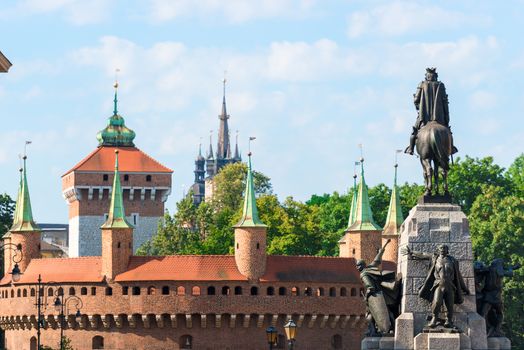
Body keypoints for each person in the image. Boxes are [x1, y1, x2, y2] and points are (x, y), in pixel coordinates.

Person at [402, 244, 469, 328]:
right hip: (438, 284)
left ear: (447, 250)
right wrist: (411, 252)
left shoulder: (453, 261)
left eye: (444, 248)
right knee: (437, 302)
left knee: (450, 304)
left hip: (450, 285)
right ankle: (434, 318)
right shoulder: (435, 258)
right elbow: (423, 254)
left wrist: (465, 288)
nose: (442, 249)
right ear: (438, 250)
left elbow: (458, 276)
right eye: (441, 248)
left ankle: (448, 320)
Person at [405, 68, 456, 155]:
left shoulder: (421, 84)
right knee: (448, 131)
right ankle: (451, 147)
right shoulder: (441, 85)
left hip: (424, 117)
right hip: (439, 117)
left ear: (427, 76)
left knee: (415, 131)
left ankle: (411, 148)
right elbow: (445, 103)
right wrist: (446, 118)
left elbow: (416, 100)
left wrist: (419, 107)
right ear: (435, 76)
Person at [358, 239, 400, 335]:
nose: (357, 268)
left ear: (362, 266)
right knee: (387, 313)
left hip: (375, 296)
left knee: (370, 315)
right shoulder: (369, 268)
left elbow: (370, 287)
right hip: (382, 294)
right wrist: (382, 250)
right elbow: (376, 261)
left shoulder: (364, 274)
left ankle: (374, 331)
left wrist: (367, 296)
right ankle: (390, 329)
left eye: (358, 266)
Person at [474, 258, 521, 336]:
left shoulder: (489, 269)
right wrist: (510, 268)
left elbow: (480, 270)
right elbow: (510, 273)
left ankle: (482, 329)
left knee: (483, 313)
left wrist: (513, 267)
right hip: (496, 296)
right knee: (499, 313)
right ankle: (496, 329)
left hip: (488, 295)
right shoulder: (499, 271)